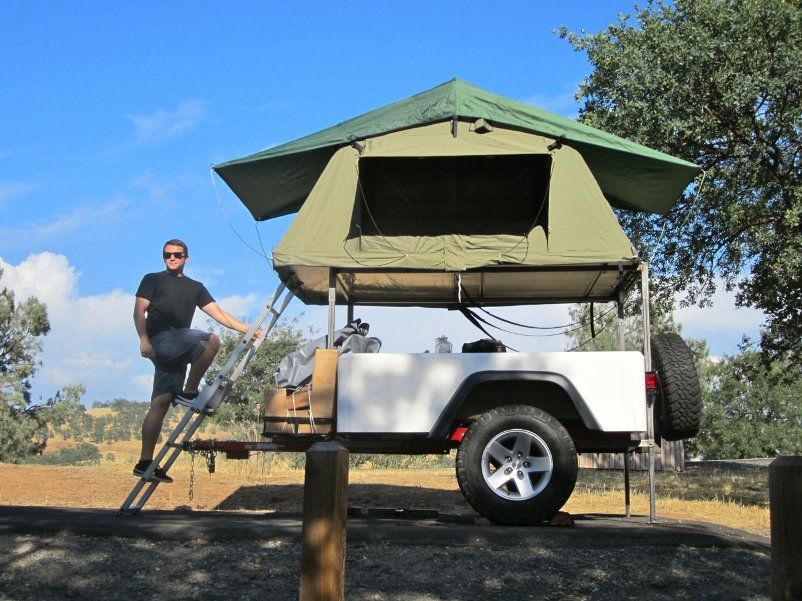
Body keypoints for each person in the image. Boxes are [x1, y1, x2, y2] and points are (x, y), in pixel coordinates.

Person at [132, 239, 255, 483]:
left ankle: (144, 462)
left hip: (177, 348)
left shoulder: (195, 287)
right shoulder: (152, 279)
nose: (172, 258)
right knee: (211, 341)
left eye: (177, 255)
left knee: (160, 402)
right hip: (160, 340)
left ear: (186, 258)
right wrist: (144, 340)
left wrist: (248, 330)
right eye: (167, 255)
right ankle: (189, 392)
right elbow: (138, 311)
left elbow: (219, 314)